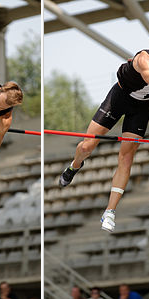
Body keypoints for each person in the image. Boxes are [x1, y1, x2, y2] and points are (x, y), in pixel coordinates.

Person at [59, 50, 149, 232]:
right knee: (87, 146)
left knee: (126, 158)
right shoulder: (144, 59)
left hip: (142, 108)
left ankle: (109, 212)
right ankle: (74, 166)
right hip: (119, 99)